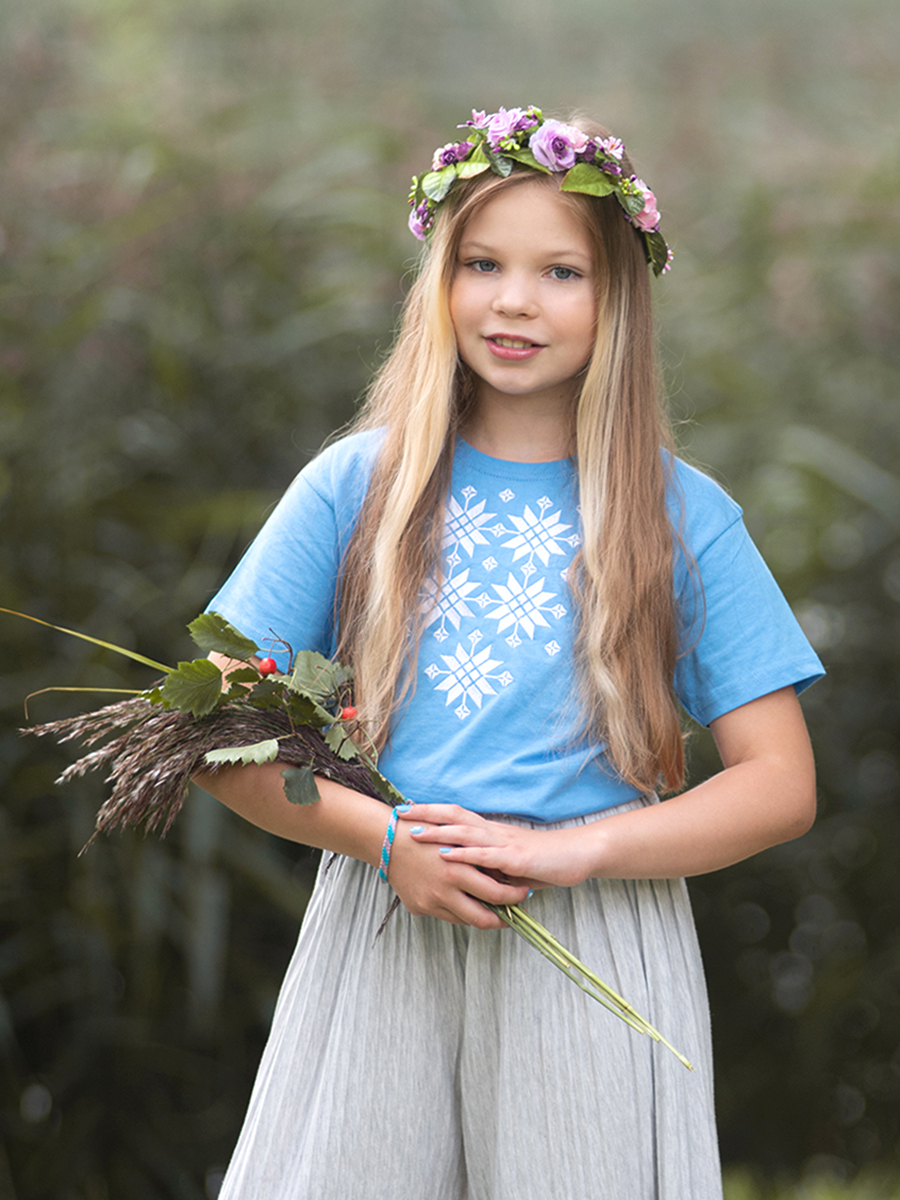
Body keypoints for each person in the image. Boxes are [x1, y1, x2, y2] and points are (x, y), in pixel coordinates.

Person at [197, 106, 824, 1200]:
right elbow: (214, 732)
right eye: (482, 262)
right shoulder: (358, 489)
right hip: (383, 920)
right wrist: (386, 841)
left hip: (592, 930)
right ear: (441, 278)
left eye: (560, 272)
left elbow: (780, 783)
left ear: (617, 296)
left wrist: (575, 851)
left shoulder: (681, 516)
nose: (514, 301)